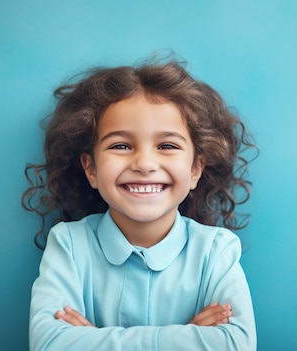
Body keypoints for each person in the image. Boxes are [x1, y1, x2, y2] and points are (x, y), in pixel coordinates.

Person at [22, 55, 257, 350]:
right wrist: (187, 335)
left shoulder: (217, 251)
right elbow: (50, 344)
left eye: (167, 146)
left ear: (196, 168)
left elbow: (235, 345)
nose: (145, 164)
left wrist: (93, 338)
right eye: (120, 145)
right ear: (91, 169)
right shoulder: (69, 244)